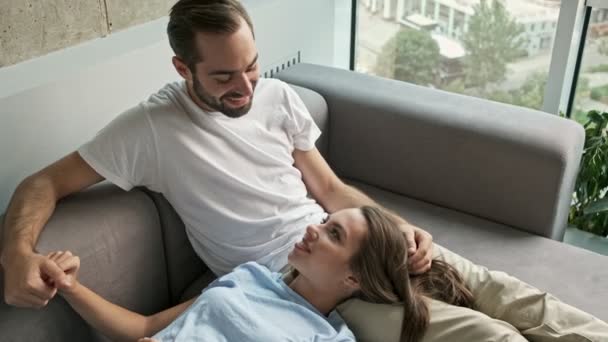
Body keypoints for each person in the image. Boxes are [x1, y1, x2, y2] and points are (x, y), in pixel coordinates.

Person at [1, 0, 606, 341]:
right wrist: (18, 255)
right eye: (223, 77)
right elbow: (41, 184)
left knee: (509, 295)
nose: (246, 87)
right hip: (296, 279)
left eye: (252, 66)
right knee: (483, 336)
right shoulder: (149, 130)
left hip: (346, 236)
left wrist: (395, 225)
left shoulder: (277, 97)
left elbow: (330, 189)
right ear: (182, 69)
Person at [44, 206, 475, 342]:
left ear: (353, 280)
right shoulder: (250, 276)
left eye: (333, 234)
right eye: (325, 221)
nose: (313, 228)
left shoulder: (329, 339)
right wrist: (71, 287)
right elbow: (143, 326)